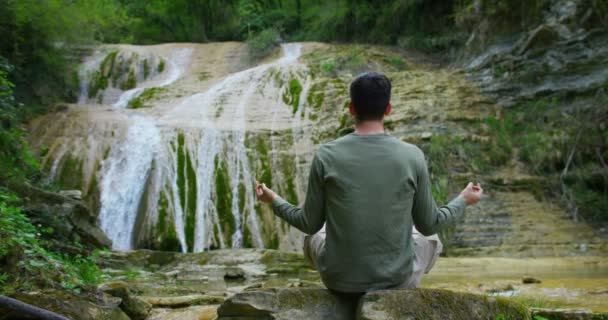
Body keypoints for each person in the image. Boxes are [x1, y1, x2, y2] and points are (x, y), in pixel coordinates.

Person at [255, 72, 482, 293]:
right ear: (388, 110)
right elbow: (429, 224)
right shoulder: (412, 156)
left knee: (316, 233)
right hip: (396, 280)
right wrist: (464, 199)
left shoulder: (326, 155)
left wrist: (273, 199)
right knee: (430, 237)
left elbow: (308, 223)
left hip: (338, 280)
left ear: (351, 109)